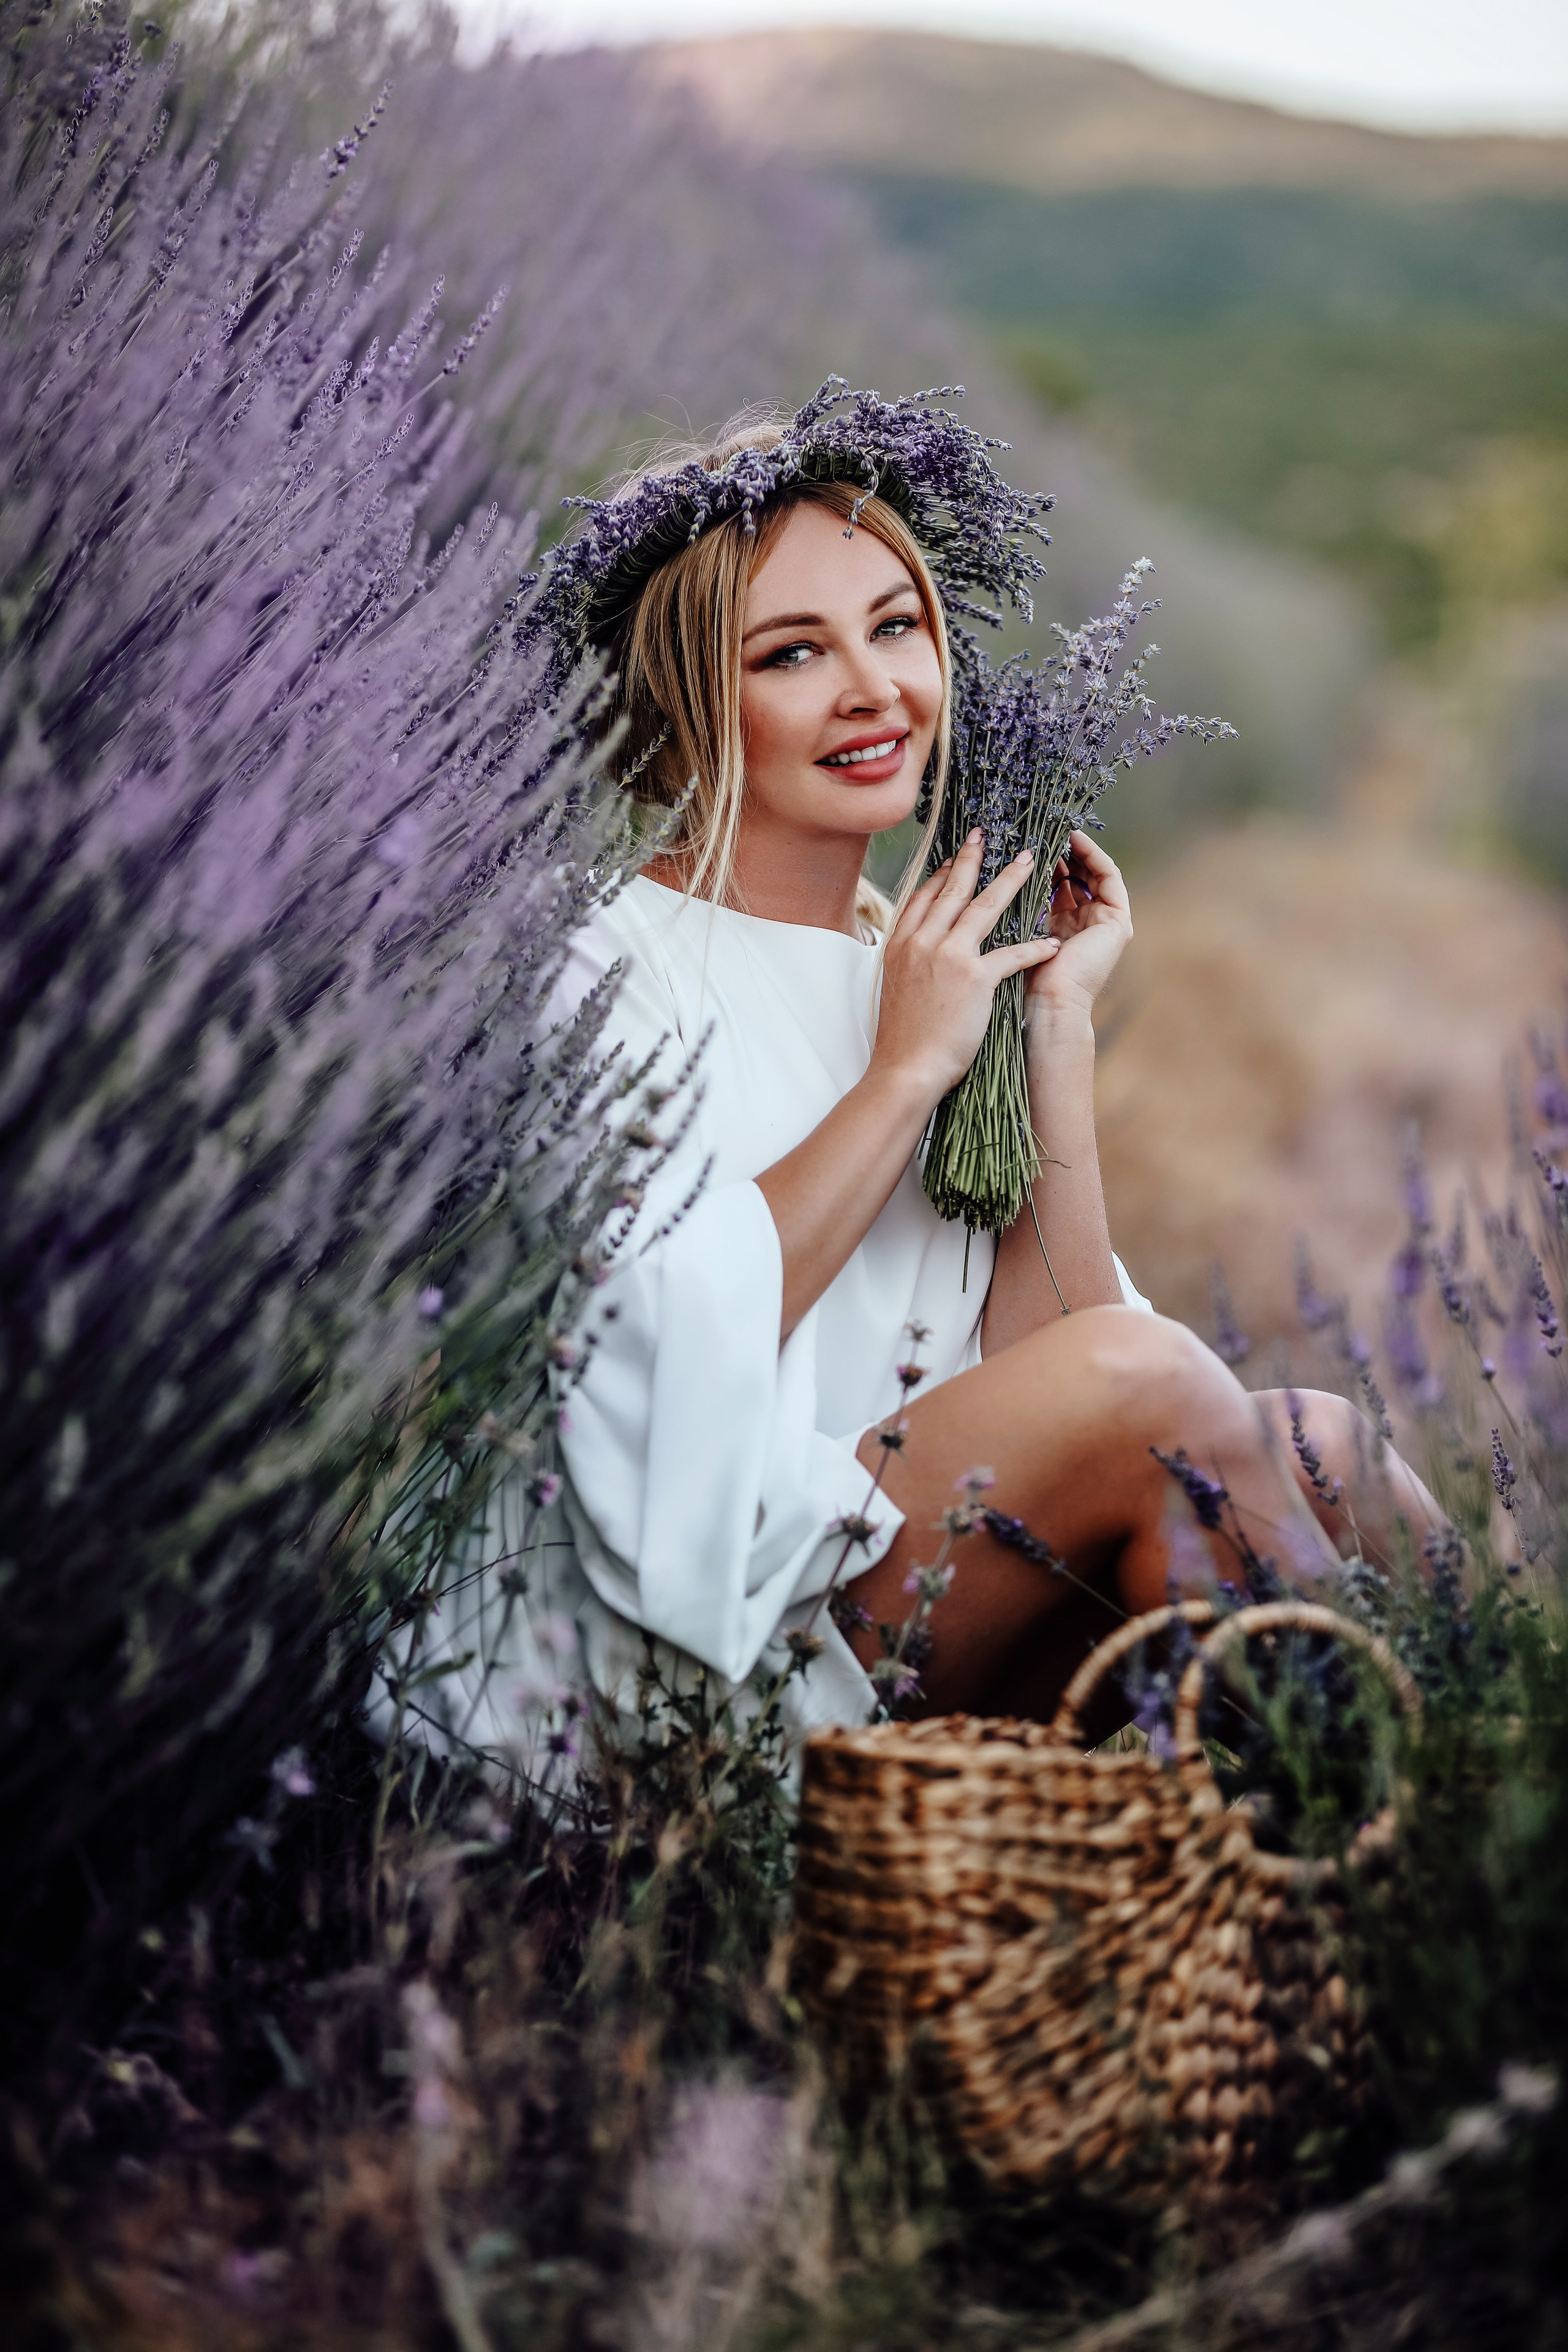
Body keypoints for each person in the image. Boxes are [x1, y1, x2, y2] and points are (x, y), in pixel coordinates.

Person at [390, 389, 1442, 1777]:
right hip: (686, 1623)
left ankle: (1441, 1796)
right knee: (1167, 1393)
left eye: (895, 628)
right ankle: (1375, 1837)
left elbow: (1055, 1361)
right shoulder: (600, 967)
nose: (873, 689)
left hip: (912, 1564)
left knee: (1317, 1444)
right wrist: (903, 1075)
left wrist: (1042, 1029)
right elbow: (646, 1349)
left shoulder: (920, 957)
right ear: (687, 705)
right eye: (789, 655)